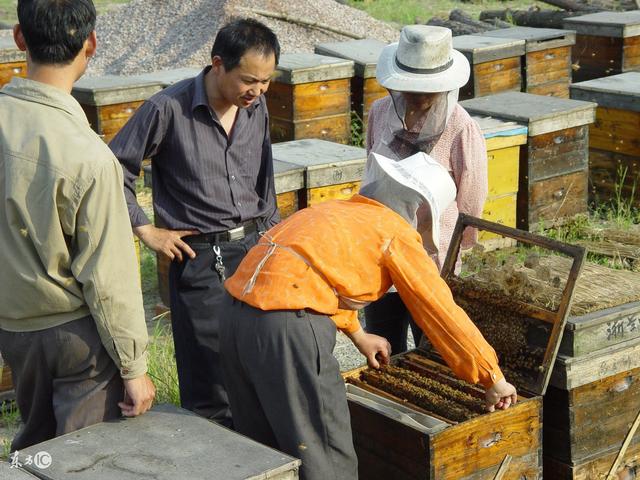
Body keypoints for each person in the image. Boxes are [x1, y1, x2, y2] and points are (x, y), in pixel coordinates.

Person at [221, 151, 517, 480]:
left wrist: (357, 334)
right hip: (285, 329)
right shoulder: (394, 232)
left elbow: (311, 278)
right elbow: (439, 311)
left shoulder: (331, 211)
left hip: (234, 318)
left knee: (265, 454)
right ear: (419, 208)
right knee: (324, 455)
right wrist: (492, 376)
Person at [0, 0, 155, 451]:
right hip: (75, 338)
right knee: (85, 458)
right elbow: (109, 278)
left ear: (19, 39)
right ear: (90, 43)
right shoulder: (88, 155)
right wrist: (134, 367)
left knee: (34, 449)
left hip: (13, 329)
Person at [109, 18, 280, 427]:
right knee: (209, 383)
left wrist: (275, 234)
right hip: (201, 260)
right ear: (218, 64)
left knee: (259, 368)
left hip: (256, 249)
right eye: (249, 80)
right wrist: (145, 229)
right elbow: (112, 169)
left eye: (267, 81)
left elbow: (265, 176)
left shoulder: (256, 108)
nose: (257, 90)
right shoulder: (167, 108)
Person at [364, 25, 489, 354]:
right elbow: (372, 170)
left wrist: (456, 254)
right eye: (411, 89)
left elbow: (472, 200)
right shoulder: (379, 112)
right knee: (383, 340)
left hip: (432, 258)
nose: (418, 99)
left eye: (427, 90)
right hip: (383, 251)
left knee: (433, 345)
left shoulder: (462, 127)